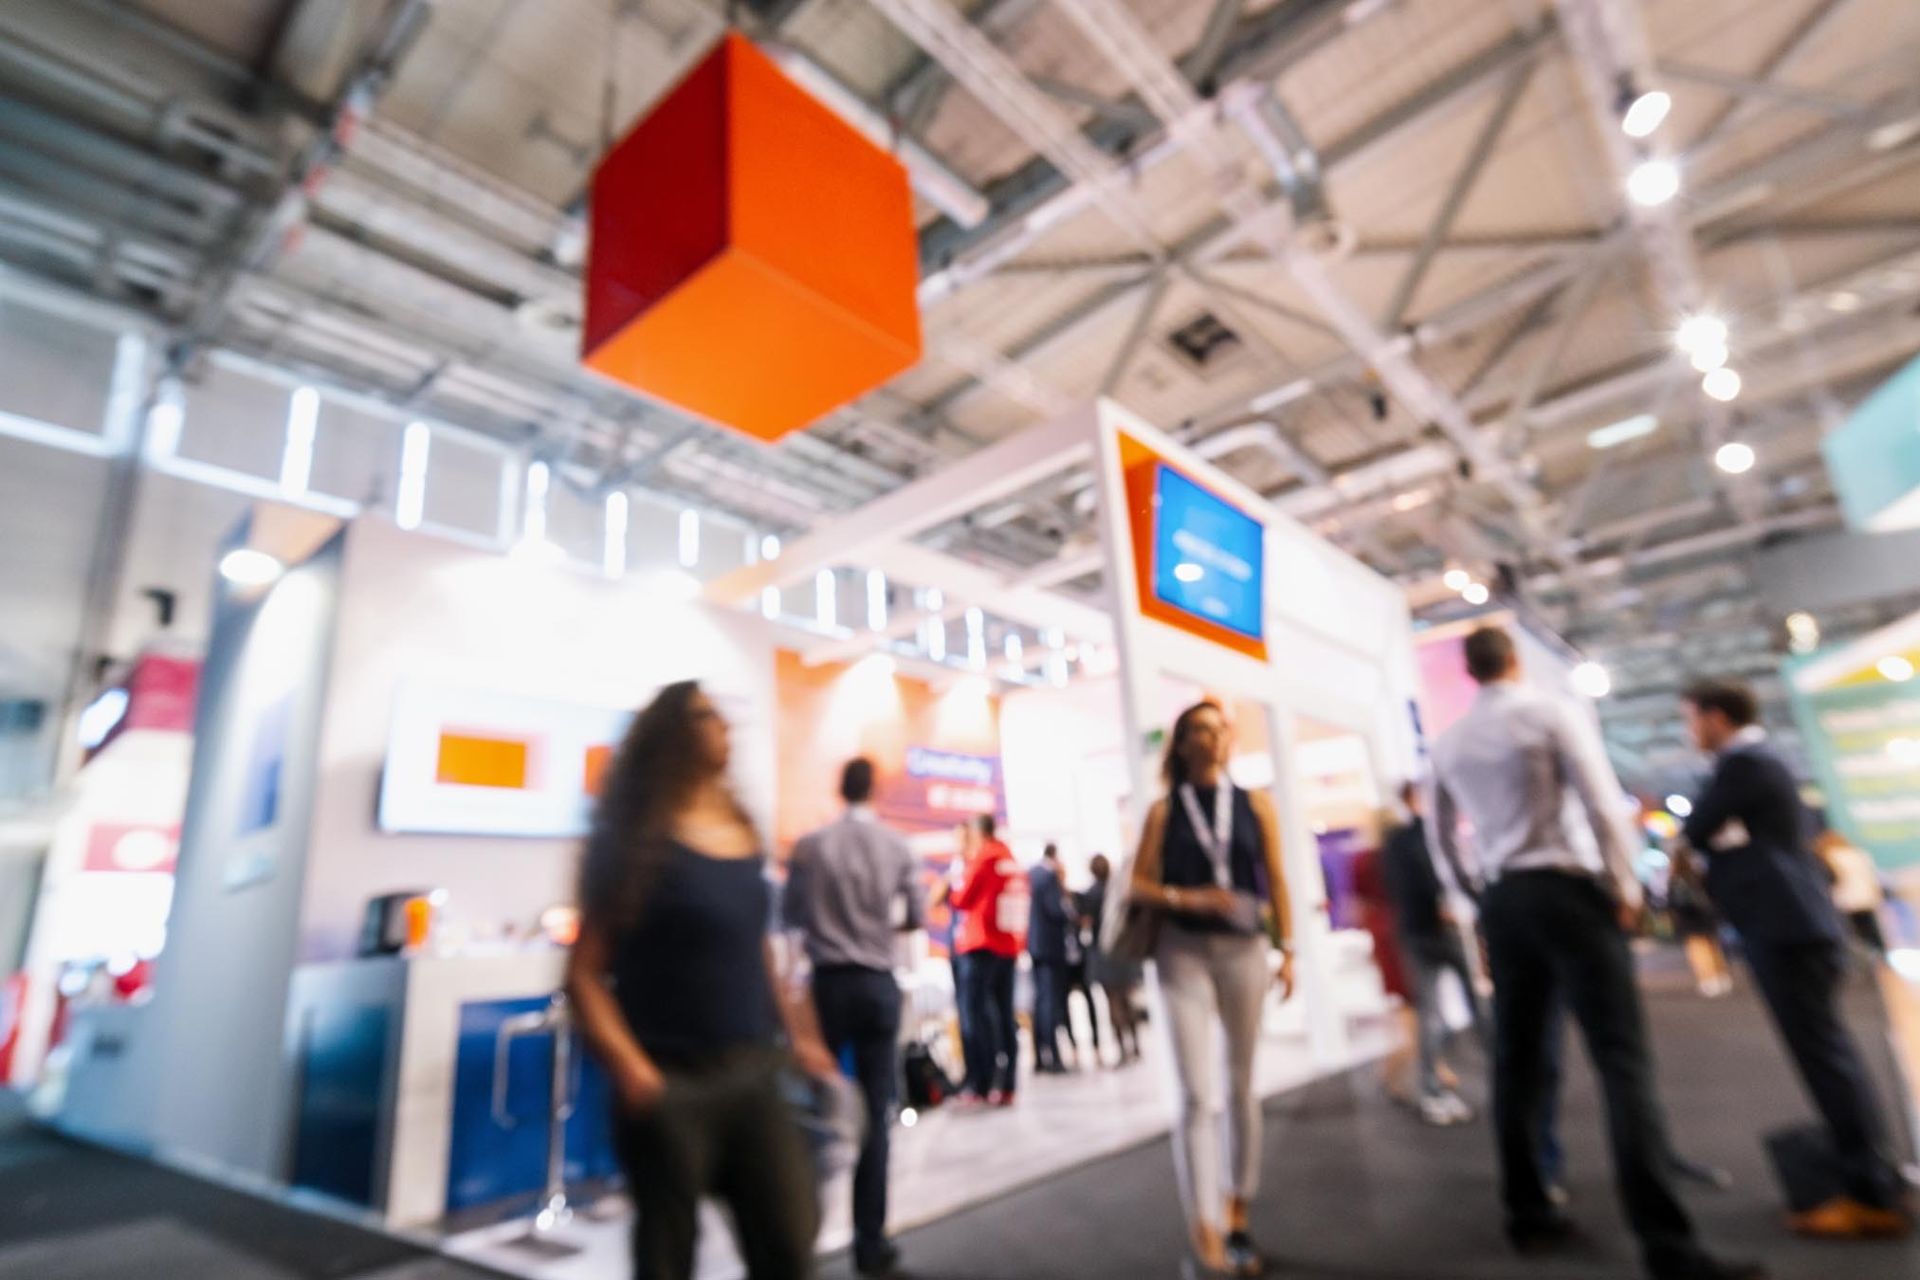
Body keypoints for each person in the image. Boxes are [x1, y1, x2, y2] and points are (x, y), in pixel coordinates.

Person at [1430, 628, 1759, 1280]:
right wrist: (1625, 885)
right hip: (1567, 892)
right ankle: (1668, 1246)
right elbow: (1603, 802)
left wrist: (1477, 896)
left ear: (1470, 671)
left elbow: (1441, 838)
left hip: (1504, 901)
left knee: (1517, 1063)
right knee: (1621, 1061)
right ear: (1513, 661)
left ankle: (1529, 1215)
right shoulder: (1550, 711)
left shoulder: (1448, 741)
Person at [566, 681, 834, 1280]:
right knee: (668, 1258)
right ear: (672, 734)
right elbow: (583, 975)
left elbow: (758, 948)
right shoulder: (634, 841)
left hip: (754, 1071)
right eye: (706, 716)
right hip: (671, 1082)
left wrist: (800, 1036)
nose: (723, 727)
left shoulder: (741, 829)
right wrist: (633, 1071)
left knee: (789, 1247)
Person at [1680, 679, 1910, 1238]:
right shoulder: (1764, 763)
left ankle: (1872, 1195)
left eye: (1692, 719)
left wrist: (1711, 851)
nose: (1690, 732)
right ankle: (1875, 1181)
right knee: (1832, 1057)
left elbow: (1695, 829)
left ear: (1716, 717)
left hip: (1785, 928)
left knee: (1827, 1060)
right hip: (1796, 924)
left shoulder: (1744, 763)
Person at [1129, 701, 1295, 1277]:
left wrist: (1288, 949)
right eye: (1200, 729)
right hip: (1182, 953)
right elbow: (1138, 885)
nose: (1213, 737)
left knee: (1241, 1083)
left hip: (1245, 950)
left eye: (1220, 728)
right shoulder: (1163, 811)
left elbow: (1277, 878)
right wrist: (1188, 897)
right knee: (1197, 1094)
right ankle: (1203, 1226)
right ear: (1181, 743)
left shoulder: (1255, 805)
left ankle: (1237, 1209)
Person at [783, 758, 922, 1277]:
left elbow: (791, 917)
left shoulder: (811, 847)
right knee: (874, 1115)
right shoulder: (896, 846)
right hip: (877, 983)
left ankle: (796, 1243)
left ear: (840, 789)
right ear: (874, 790)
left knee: (813, 1114)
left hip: (828, 987)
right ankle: (870, 1245)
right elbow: (915, 915)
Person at [1381, 782, 1489, 1125]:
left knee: (1447, 1011)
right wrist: (1442, 906)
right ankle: (1434, 1089)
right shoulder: (1418, 836)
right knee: (1456, 1010)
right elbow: (1426, 881)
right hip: (1436, 930)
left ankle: (1434, 1087)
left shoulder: (1400, 839)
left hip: (1422, 931)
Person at [950, 814, 1028, 1104]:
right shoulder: (1009, 858)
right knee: (1005, 1015)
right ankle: (1008, 1084)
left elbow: (961, 898)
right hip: (1007, 945)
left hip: (981, 944)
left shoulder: (984, 857)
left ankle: (981, 1084)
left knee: (976, 1016)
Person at [1082, 854, 1141, 1063]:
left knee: (1113, 1001)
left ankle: (1123, 1049)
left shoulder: (1090, 895)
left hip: (1103, 952)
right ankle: (1136, 1045)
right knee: (1127, 999)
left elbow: (1086, 923)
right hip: (1123, 949)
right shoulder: (1119, 888)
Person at [1026, 843, 1073, 1074]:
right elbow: (1056, 910)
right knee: (1050, 1002)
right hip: (1051, 947)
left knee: (1040, 1001)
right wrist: (1070, 912)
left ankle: (1039, 1056)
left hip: (1035, 945)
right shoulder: (1049, 876)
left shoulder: (1031, 873)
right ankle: (1053, 1056)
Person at [1815, 829, 1889, 956]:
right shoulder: (1858, 854)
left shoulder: (1829, 856)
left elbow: (1833, 879)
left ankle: (1865, 960)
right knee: (1873, 936)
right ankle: (1879, 959)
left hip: (1846, 902)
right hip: (1866, 900)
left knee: (1855, 937)